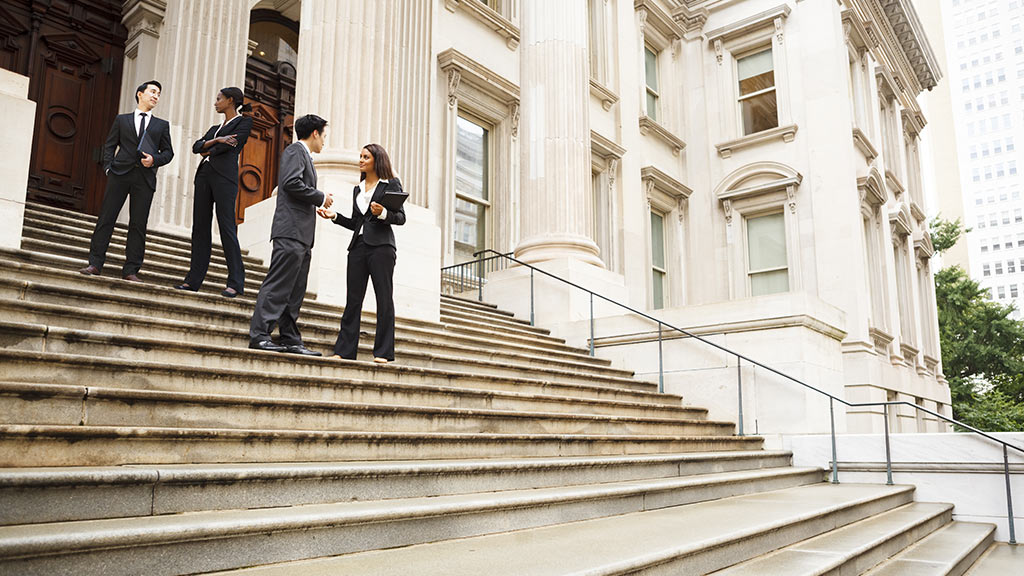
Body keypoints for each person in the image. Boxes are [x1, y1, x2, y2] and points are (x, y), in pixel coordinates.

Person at [248, 114, 333, 355]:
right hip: (291, 231)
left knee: (295, 290)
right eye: (324, 135)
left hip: (303, 235)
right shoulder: (296, 151)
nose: (325, 141)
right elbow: (291, 183)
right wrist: (320, 196)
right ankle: (260, 334)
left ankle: (289, 338)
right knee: (278, 285)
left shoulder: (306, 156)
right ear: (315, 133)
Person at [317, 144, 406, 364]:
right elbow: (357, 222)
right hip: (358, 247)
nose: (361, 160)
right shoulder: (358, 188)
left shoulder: (390, 184)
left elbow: (401, 217)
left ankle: (384, 353)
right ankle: (345, 350)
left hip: (382, 248)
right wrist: (334, 216)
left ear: (377, 160)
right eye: (360, 156)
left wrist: (383, 212)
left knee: (384, 299)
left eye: (366, 157)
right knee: (353, 300)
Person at [79, 80, 174, 282]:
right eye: (153, 92)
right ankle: (95, 263)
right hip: (119, 175)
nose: (156, 96)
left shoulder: (161, 125)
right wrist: (108, 167)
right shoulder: (122, 120)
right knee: (106, 218)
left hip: (144, 179)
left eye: (159, 94)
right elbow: (110, 145)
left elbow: (168, 153)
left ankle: (131, 270)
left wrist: (154, 160)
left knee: (138, 225)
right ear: (140, 94)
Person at [176, 87, 253, 297]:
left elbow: (233, 144)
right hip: (204, 176)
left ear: (230, 100)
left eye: (219, 98)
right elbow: (196, 147)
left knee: (226, 226)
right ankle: (192, 281)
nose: (215, 102)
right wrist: (218, 140)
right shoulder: (214, 128)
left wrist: (210, 147)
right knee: (199, 227)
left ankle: (236, 282)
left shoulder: (245, 122)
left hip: (224, 177)